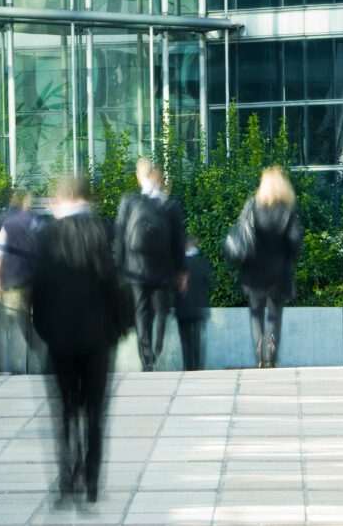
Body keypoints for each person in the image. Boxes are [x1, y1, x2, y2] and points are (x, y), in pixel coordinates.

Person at [31, 175, 132, 505]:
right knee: (95, 412)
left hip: (59, 340)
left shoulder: (46, 236)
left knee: (65, 410)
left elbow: (38, 292)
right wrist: (118, 329)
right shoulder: (104, 232)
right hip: (97, 340)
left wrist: (44, 330)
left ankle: (67, 476)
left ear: (63, 197)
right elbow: (117, 286)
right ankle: (91, 479)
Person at [225, 166, 302, 368]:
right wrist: (290, 258)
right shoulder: (287, 208)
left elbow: (242, 233)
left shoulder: (252, 204)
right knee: (274, 314)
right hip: (277, 270)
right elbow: (295, 240)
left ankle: (260, 352)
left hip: (254, 269)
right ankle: (271, 356)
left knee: (255, 312)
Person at [114, 158, 186, 371]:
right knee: (162, 309)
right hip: (163, 269)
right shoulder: (169, 205)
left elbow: (119, 236)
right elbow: (178, 241)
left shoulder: (129, 201)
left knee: (141, 312)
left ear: (139, 177)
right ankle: (158, 345)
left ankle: (146, 360)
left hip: (135, 269)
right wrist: (181, 269)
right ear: (159, 178)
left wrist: (119, 266)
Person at [0, 189, 40, 374]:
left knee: (10, 324)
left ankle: (10, 369)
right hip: (34, 280)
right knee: (30, 324)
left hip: (11, 281)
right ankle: (33, 367)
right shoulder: (37, 221)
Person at [176, 235, 212, 371]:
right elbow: (208, 284)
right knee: (196, 339)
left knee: (185, 340)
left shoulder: (179, 263)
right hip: (198, 307)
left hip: (182, 308)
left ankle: (187, 366)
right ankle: (197, 367)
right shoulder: (202, 262)